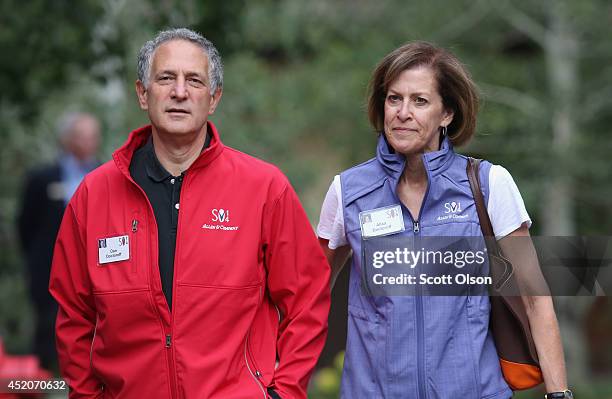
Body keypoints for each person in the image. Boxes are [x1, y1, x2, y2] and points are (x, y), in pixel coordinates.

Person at [49, 28, 330, 399]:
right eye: (166, 78)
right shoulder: (94, 195)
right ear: (142, 93)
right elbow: (74, 317)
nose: (179, 92)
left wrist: (285, 391)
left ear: (213, 99)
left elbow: (307, 299)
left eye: (194, 81)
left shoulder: (263, 188)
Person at [317, 42, 573, 398]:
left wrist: (559, 393)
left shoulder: (488, 185)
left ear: (447, 113)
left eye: (419, 101)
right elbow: (309, 296)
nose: (403, 112)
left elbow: (535, 298)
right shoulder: (348, 191)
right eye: (394, 98)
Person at [17, 112, 101, 371]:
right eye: (80, 135)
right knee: (49, 327)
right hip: (49, 269)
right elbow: (25, 226)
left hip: (95, 269)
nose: (87, 142)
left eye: (91, 136)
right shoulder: (42, 179)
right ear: (66, 139)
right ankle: (41, 383)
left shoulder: (106, 175)